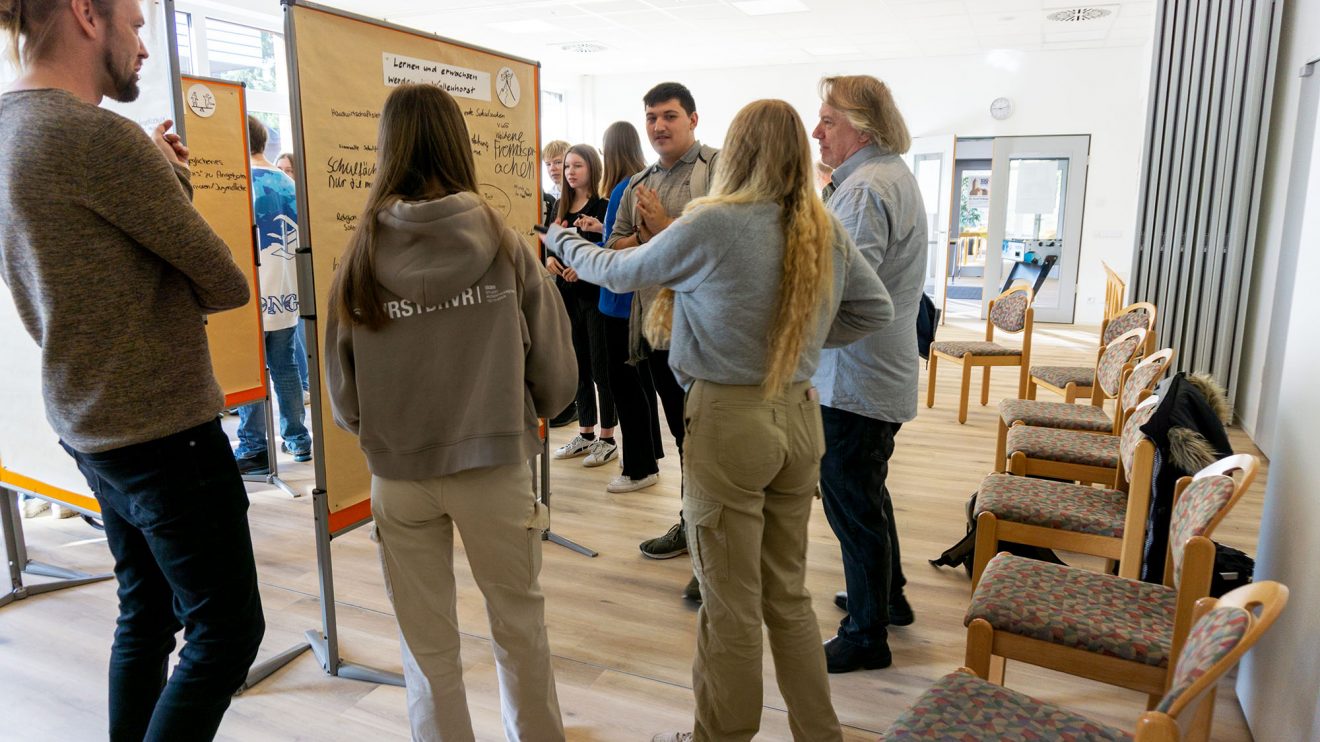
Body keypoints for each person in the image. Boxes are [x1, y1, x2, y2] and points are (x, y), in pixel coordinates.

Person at [543, 98, 893, 742]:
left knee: (729, 605)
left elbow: (616, 270)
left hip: (731, 421)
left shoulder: (715, 223)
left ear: (736, 151)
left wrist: (557, 234)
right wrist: (799, 342)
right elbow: (875, 311)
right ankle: (821, 733)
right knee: (787, 597)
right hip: (799, 416)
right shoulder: (822, 227)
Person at [0, 1, 265, 739]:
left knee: (145, 613)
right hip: (163, 428)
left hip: (88, 422)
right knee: (226, 633)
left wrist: (154, 177)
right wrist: (162, 177)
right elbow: (225, 282)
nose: (145, 45)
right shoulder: (98, 138)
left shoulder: (10, 128)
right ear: (87, 14)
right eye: (138, 24)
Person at [324, 83, 575, 742]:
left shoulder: (359, 257)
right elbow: (557, 377)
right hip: (495, 464)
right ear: (458, 143)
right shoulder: (507, 244)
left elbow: (344, 401)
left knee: (426, 648)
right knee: (520, 629)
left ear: (386, 148)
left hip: (400, 476)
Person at [812, 74, 928, 673]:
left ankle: (866, 633)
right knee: (866, 492)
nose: (816, 131)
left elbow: (839, 294)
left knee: (850, 500)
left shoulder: (863, 191)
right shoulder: (887, 177)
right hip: (873, 372)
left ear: (862, 126)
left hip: (855, 379)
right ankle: (887, 596)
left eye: (828, 120)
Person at [605, 83, 719, 599]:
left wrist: (662, 229)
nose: (658, 126)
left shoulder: (718, 173)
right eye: (650, 117)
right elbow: (615, 256)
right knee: (682, 440)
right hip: (657, 335)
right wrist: (651, 236)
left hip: (712, 338)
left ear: (693, 118)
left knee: (711, 447)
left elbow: (720, 251)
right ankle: (690, 526)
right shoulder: (637, 184)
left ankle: (712, 557)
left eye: (669, 115)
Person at [234, 115, 312, 474]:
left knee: (250, 371)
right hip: (286, 293)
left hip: (249, 296)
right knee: (286, 366)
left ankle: (253, 446)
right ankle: (299, 440)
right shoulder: (289, 183)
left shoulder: (238, 184)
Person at [547, 144, 617, 467]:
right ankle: (585, 432)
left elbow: (608, 250)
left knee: (601, 365)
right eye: (567, 167)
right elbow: (549, 243)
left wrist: (584, 266)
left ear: (592, 168)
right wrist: (549, 259)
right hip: (566, 294)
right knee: (578, 366)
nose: (570, 172)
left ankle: (607, 437)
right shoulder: (559, 207)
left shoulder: (603, 207)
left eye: (577, 166)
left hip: (593, 295)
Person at [541, 139, 576, 429]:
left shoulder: (573, 198)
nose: (555, 169)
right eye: (549, 164)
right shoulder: (549, 199)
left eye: (559, 162)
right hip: (555, 278)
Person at [274, 149, 311, 399]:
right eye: (280, 171)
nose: (284, 176)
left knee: (298, 331)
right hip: (281, 284)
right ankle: (305, 384)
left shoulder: (303, 201)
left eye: (289, 171)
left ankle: (307, 383)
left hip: (301, 279)